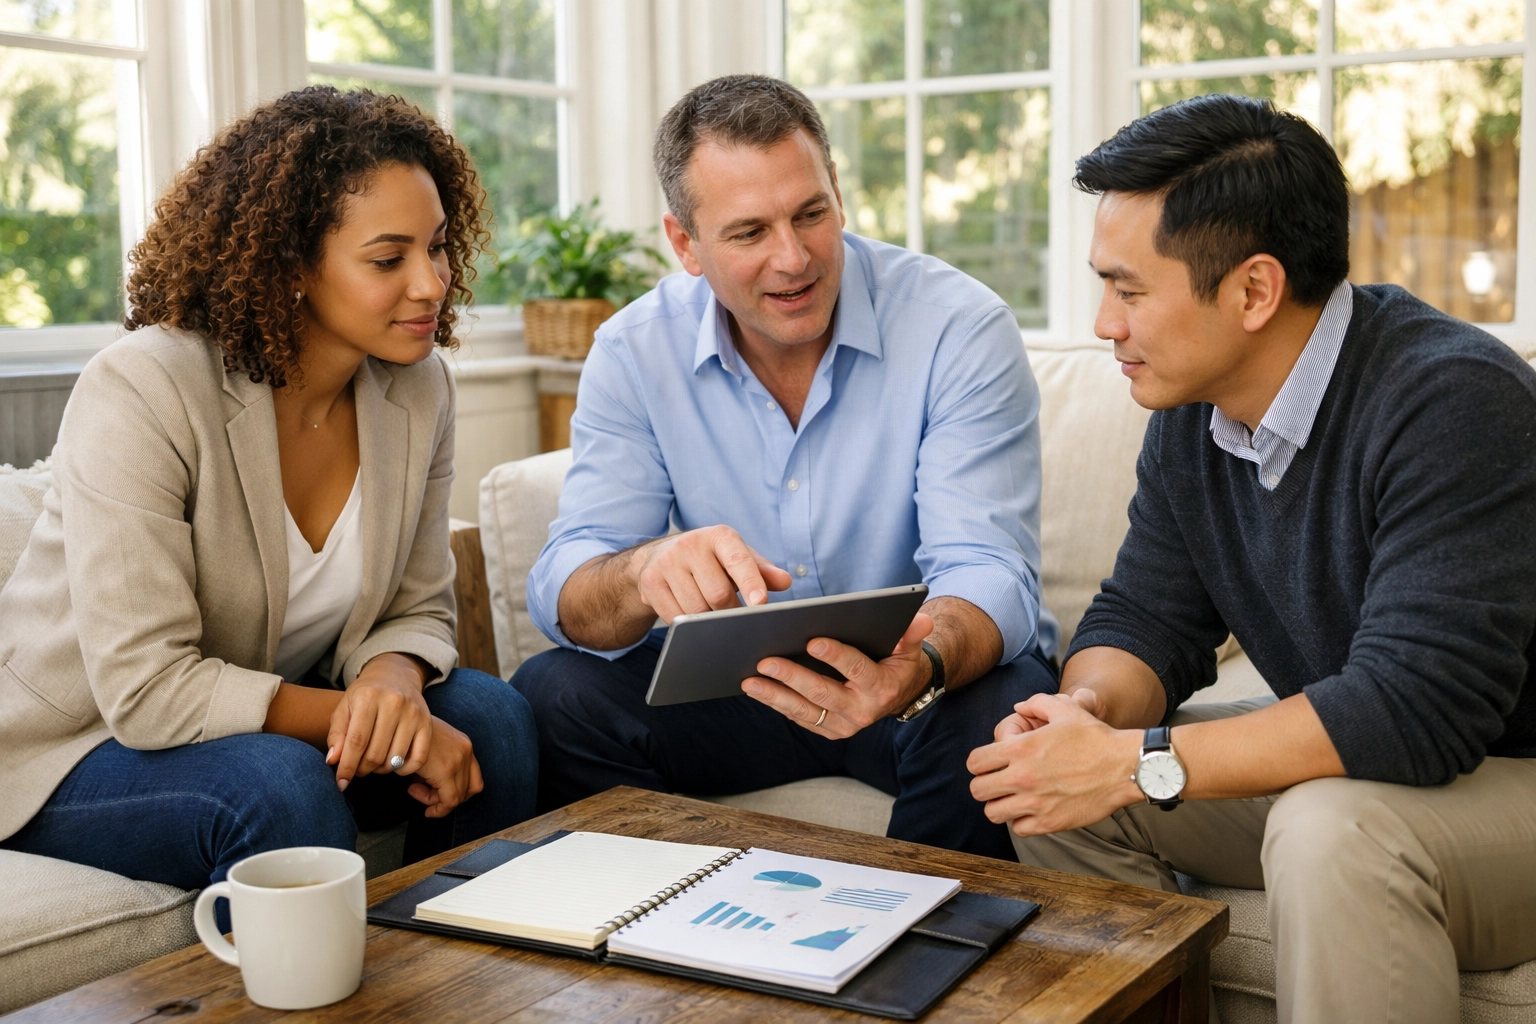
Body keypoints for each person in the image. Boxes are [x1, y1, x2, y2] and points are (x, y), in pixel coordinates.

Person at [966, 94, 1536, 1022]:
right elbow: (1145, 619)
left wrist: (1134, 761)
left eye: (1129, 289)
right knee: (1050, 792)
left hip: (1505, 771)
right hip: (1399, 766)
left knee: (1330, 831)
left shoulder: (1455, 401)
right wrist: (1086, 718)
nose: (1105, 322)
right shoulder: (1195, 414)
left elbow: (1417, 710)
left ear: (1254, 291)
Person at [0, 87, 538, 912]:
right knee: (280, 786)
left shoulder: (418, 389)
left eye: (437, 247)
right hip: (80, 745)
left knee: (494, 721)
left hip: (256, 709)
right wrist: (363, 717)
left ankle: (450, 980)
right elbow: (148, 690)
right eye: (389, 259)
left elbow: (419, 606)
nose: (434, 283)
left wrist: (393, 683)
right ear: (290, 261)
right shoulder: (145, 385)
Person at [511, 74, 1059, 861]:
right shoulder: (635, 351)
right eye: (747, 233)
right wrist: (644, 572)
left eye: (811, 214)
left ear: (837, 192)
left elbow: (988, 571)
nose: (793, 259)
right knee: (552, 697)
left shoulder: (958, 329)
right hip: (736, 689)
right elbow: (568, 580)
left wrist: (919, 666)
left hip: (913, 684)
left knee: (1006, 711)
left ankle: (922, 954)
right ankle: (669, 932)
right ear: (685, 244)